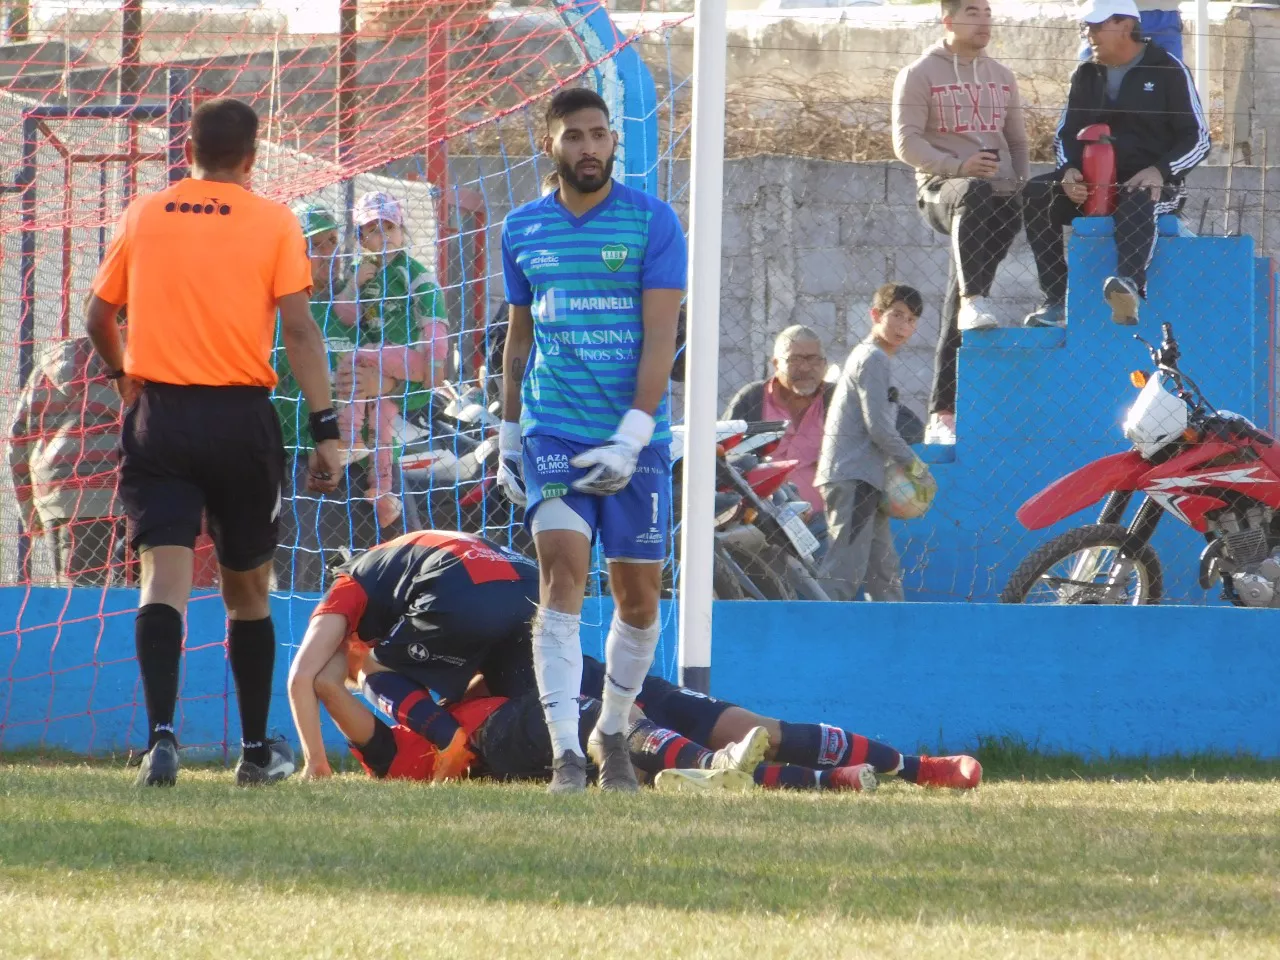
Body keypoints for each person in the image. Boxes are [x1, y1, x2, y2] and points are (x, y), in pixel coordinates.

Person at [84, 97, 342, 788]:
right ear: (253, 156)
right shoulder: (274, 221)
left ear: (187, 149)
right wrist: (327, 431)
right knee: (247, 591)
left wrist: (122, 375)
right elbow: (300, 332)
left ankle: (160, 738)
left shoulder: (144, 213)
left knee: (162, 579)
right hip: (239, 420)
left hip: (159, 414)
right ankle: (256, 750)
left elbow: (97, 312)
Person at [497, 87, 687, 794]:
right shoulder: (522, 228)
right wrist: (510, 433)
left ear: (614, 143)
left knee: (639, 600)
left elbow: (663, 338)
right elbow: (518, 343)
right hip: (553, 429)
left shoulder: (653, 223)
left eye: (599, 135)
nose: (588, 147)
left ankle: (611, 731)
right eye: (573, 135)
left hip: (635, 440)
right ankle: (565, 755)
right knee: (561, 577)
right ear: (549, 144)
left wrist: (634, 435)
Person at [286, 529, 544, 781]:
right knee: (524, 704)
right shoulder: (393, 571)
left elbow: (303, 677)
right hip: (529, 581)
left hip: (462, 580)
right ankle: (561, 757)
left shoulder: (348, 583)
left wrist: (316, 762)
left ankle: (448, 738)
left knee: (372, 670)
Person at [891, 0, 1029, 446]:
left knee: (959, 303)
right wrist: (958, 165)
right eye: (973, 11)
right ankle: (975, 297)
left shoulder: (1002, 76)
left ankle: (944, 411)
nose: (985, 20)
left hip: (998, 196)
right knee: (970, 293)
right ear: (948, 20)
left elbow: (1017, 140)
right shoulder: (919, 74)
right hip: (942, 189)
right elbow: (905, 142)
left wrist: (1020, 182)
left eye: (988, 12)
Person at [1022, 0, 1209, 328]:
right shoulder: (1084, 73)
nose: (1090, 34)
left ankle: (1128, 288)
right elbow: (1066, 134)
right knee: (1038, 192)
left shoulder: (1167, 68)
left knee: (1138, 195)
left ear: (1126, 25)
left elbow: (1198, 138)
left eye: (1097, 26)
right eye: (1087, 27)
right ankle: (1056, 298)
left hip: (1152, 183)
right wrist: (1069, 173)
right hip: (1092, 184)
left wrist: (1160, 171)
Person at [273, 204, 382, 593]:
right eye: (316, 244)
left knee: (384, 550)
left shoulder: (353, 307)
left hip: (360, 452)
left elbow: (392, 365)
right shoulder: (282, 308)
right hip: (302, 453)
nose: (328, 252)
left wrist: (376, 382)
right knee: (301, 556)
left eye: (333, 241)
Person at [814, 284, 929, 602]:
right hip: (854, 478)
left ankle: (896, 643)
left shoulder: (876, 358)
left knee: (884, 573)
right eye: (897, 315)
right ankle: (815, 642)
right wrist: (917, 468)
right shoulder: (873, 358)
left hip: (867, 479)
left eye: (912, 320)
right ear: (875, 315)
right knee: (843, 574)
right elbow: (878, 427)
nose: (904, 327)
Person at [346, 190, 450, 535]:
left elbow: (433, 315)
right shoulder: (359, 273)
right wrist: (353, 286)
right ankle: (384, 493)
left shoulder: (411, 271)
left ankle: (349, 437)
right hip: (382, 364)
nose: (383, 237)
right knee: (383, 421)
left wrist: (435, 362)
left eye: (389, 228)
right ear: (361, 238)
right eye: (373, 230)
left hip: (408, 358)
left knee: (357, 360)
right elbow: (343, 317)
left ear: (402, 231)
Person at [9, 336, 124, 585]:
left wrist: (29, 508)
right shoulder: (127, 359)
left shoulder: (47, 365)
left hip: (53, 489)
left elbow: (17, 437)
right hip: (109, 484)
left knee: (73, 588)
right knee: (130, 588)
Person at [722, 325, 832, 519]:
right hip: (761, 519)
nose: (805, 368)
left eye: (814, 360)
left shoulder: (836, 399)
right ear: (776, 364)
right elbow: (723, 456)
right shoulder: (753, 398)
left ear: (824, 364)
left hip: (825, 519)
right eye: (795, 360)